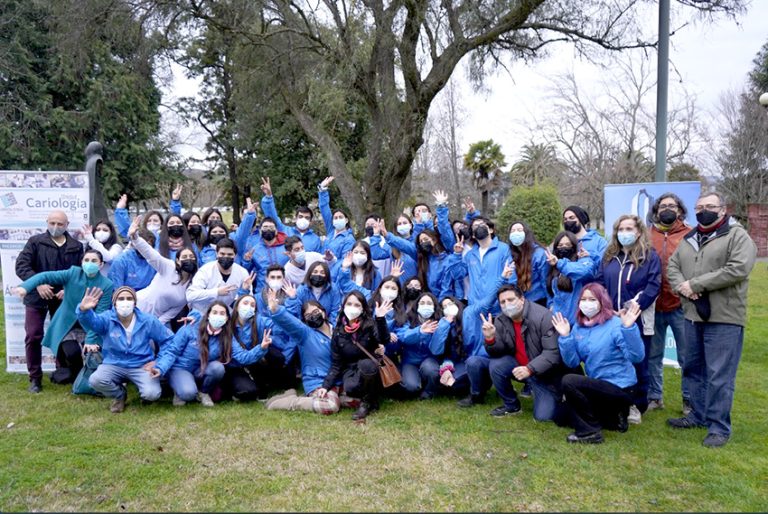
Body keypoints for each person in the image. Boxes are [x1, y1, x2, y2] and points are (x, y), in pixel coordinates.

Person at [666, 191, 757, 448]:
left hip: (724, 317)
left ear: (722, 209)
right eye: (699, 206)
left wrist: (696, 283)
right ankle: (697, 414)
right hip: (693, 314)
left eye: (709, 206)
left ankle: (719, 427)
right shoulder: (690, 238)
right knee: (693, 368)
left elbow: (737, 268)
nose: (703, 210)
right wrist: (683, 287)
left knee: (719, 374)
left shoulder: (737, 235)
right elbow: (673, 267)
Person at [553, 283, 645, 444]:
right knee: (560, 417)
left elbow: (637, 357)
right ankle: (614, 420)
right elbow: (572, 362)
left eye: (592, 299)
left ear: (602, 301)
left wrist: (629, 328)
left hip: (620, 386)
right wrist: (566, 337)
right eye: (583, 299)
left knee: (570, 381)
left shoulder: (615, 324)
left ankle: (590, 432)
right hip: (597, 385)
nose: (587, 303)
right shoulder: (579, 327)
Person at [596, 214, 661, 424]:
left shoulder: (649, 256)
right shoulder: (609, 256)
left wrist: (630, 309)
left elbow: (653, 286)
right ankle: (614, 399)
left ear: (639, 231)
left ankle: (637, 404)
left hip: (636, 318)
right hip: (610, 318)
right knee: (615, 360)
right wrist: (606, 308)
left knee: (638, 361)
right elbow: (599, 283)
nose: (624, 233)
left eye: (629, 229)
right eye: (621, 229)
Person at [15, 250, 114, 384]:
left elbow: (100, 315)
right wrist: (26, 287)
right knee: (71, 352)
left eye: (94, 261)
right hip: (67, 324)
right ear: (82, 262)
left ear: (101, 265)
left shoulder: (107, 285)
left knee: (92, 354)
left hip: (90, 326)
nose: (89, 264)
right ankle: (77, 378)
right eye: (86, 260)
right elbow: (45, 276)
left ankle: (88, 377)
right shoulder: (73, 273)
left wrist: (91, 340)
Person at [15, 210, 84, 392]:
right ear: (46, 222)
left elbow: (79, 273)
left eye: (60, 224)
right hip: (36, 297)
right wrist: (38, 284)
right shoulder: (35, 242)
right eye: (52, 223)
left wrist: (67, 290)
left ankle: (62, 371)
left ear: (67, 225)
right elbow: (21, 265)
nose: (55, 227)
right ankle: (35, 378)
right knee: (33, 335)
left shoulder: (76, 246)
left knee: (61, 334)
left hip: (62, 298)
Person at [77, 286, 174, 413]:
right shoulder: (107, 319)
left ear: (134, 303)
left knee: (152, 394)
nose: (125, 302)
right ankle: (119, 395)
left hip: (141, 365)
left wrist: (159, 362)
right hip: (113, 363)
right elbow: (92, 322)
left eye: (129, 298)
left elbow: (169, 341)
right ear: (115, 302)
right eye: (121, 298)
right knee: (95, 380)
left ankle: (145, 394)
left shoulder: (148, 320)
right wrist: (83, 310)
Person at [482, 285, 568, 422]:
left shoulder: (543, 317)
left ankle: (559, 395)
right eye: (503, 302)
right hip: (520, 367)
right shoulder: (500, 320)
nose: (507, 305)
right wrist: (490, 339)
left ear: (522, 299)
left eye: (511, 300)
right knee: (497, 365)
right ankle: (511, 405)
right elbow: (498, 352)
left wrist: (530, 369)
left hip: (545, 374)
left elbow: (552, 353)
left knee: (543, 417)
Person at [315, 291, 392, 420]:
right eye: (349, 304)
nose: (352, 307)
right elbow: (336, 363)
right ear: (344, 306)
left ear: (362, 309)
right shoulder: (338, 332)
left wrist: (380, 318)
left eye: (357, 305)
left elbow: (383, 339)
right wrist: (325, 386)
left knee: (366, 365)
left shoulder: (370, 324)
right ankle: (372, 398)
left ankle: (366, 403)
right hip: (350, 369)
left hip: (370, 367)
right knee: (350, 388)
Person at [647, 193, 692, 413]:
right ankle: (654, 396)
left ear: (680, 210)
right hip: (654, 306)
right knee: (653, 355)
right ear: (656, 211)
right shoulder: (648, 235)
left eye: (672, 206)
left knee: (686, 356)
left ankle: (689, 399)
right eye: (663, 206)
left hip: (681, 305)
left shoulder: (690, 234)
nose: (667, 209)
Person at [148, 301, 234, 407]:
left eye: (222, 313)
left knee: (218, 368)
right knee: (188, 394)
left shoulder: (226, 336)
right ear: (208, 315)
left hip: (201, 369)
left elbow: (238, 355)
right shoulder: (190, 328)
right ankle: (179, 389)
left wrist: (260, 349)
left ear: (226, 318)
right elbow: (172, 351)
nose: (218, 316)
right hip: (181, 368)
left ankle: (204, 392)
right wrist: (160, 367)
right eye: (215, 312)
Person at [127, 216, 198, 326]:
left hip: (154, 319)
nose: (188, 259)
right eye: (184, 257)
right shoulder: (169, 267)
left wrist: (155, 325)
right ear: (178, 261)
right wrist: (135, 237)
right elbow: (151, 254)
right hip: (136, 306)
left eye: (191, 257)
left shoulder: (192, 286)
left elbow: (171, 313)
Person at [395, 292, 449, 400]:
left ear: (434, 307)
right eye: (422, 303)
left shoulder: (440, 323)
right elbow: (403, 337)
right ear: (417, 305)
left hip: (429, 360)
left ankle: (429, 391)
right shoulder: (407, 319)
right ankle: (417, 382)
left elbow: (437, 349)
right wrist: (420, 331)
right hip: (409, 362)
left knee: (430, 369)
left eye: (429, 303)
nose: (425, 305)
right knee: (411, 387)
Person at [224, 295, 276, 401]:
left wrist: (275, 311)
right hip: (234, 366)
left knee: (276, 356)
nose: (249, 307)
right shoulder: (227, 324)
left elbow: (280, 325)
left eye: (252, 305)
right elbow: (242, 357)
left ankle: (265, 384)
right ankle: (231, 388)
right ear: (237, 306)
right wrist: (261, 348)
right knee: (248, 392)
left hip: (252, 362)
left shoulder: (258, 321)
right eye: (245, 303)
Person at [259, 177, 323, 252]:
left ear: (311, 221)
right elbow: (272, 217)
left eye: (307, 218)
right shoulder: (284, 231)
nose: (303, 219)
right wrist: (268, 197)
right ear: (296, 218)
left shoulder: (315, 239)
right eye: (300, 216)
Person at [186, 238, 250, 313]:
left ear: (235, 256)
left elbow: (248, 299)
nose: (225, 257)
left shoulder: (242, 272)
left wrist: (245, 291)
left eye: (230, 254)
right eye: (222, 254)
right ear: (216, 254)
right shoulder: (205, 270)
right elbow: (190, 295)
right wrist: (216, 292)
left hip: (224, 313)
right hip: (201, 313)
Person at [545, 231, 594, 325]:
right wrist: (551, 305)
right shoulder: (552, 265)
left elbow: (584, 272)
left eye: (568, 245)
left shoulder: (583, 260)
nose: (564, 247)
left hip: (578, 322)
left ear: (574, 246)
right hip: (558, 321)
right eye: (560, 245)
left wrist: (559, 264)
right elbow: (548, 288)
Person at [507, 220, 548, 306]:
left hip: (538, 301)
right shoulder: (509, 254)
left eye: (519, 230)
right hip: (518, 302)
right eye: (513, 231)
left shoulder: (539, 253)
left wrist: (550, 302)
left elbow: (545, 281)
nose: (516, 233)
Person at [562, 205, 608, 279]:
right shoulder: (562, 242)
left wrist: (590, 255)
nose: (568, 221)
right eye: (565, 219)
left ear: (581, 219)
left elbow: (606, 263)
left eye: (571, 218)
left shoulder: (599, 241)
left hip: (591, 286)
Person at [317, 176, 356, 258]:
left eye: (340, 217)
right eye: (335, 218)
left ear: (346, 220)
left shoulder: (349, 239)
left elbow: (344, 262)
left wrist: (331, 261)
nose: (338, 219)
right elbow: (325, 210)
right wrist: (323, 189)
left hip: (334, 270)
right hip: (321, 269)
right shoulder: (331, 231)